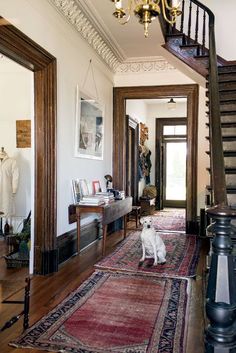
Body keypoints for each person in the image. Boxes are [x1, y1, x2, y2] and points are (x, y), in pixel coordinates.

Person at [0, 147, 19, 217]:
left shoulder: (12, 161)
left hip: (6, 189)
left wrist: (14, 188)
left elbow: (15, 176)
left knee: (5, 208)